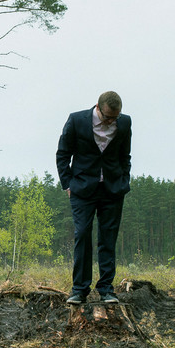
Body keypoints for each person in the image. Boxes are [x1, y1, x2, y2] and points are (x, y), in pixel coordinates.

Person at [56, 91, 131, 305]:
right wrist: (68, 184)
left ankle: (106, 289)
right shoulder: (76, 120)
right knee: (82, 234)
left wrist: (124, 181)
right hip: (82, 189)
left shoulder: (125, 123)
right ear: (97, 107)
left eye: (115, 118)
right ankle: (80, 290)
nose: (111, 122)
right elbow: (63, 154)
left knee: (108, 239)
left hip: (112, 190)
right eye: (107, 117)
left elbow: (125, 156)